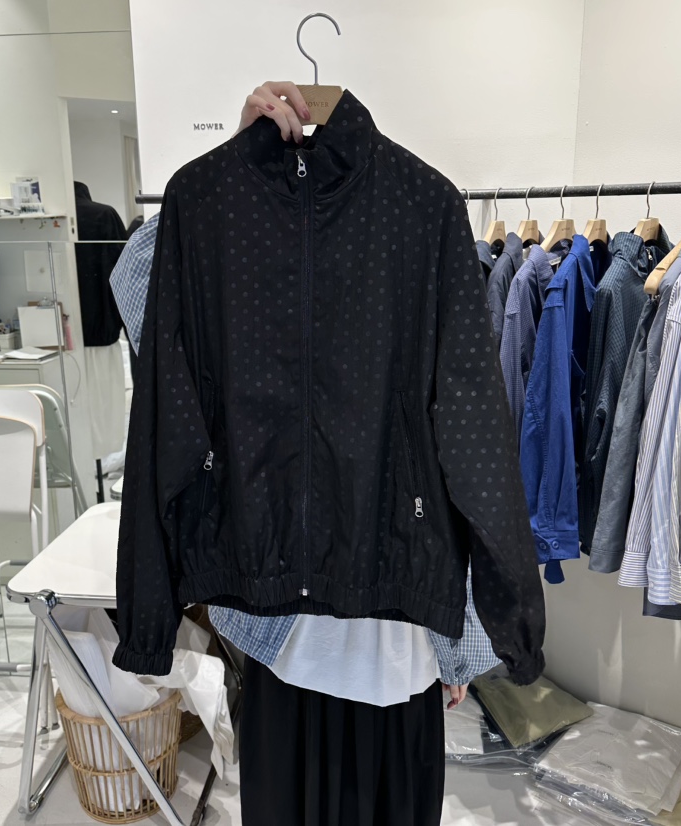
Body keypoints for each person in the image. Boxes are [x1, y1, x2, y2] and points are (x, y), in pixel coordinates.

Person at [110, 82, 501, 826]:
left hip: (399, 637)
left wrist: (466, 637)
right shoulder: (220, 211)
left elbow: (470, 434)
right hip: (281, 633)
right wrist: (237, 163)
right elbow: (139, 295)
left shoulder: (422, 208)